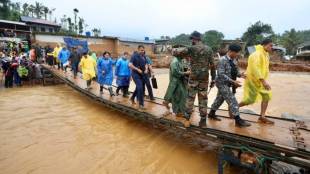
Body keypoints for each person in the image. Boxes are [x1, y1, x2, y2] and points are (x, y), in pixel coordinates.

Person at [208, 44, 251, 127]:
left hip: (228, 83)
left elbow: (235, 71)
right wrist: (233, 81)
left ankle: (211, 113)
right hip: (221, 83)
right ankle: (238, 120)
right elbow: (221, 74)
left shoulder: (234, 60)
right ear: (231, 51)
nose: (238, 54)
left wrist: (241, 75)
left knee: (220, 99)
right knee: (232, 100)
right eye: (237, 53)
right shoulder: (222, 60)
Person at [182, 31, 216, 121]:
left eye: (192, 39)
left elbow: (176, 52)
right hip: (204, 79)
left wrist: (172, 49)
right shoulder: (209, 49)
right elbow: (213, 65)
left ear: (195, 39)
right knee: (203, 100)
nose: (191, 41)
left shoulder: (191, 49)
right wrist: (213, 79)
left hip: (193, 78)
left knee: (190, 98)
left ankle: (187, 119)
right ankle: (203, 120)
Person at [239, 39, 274, 124]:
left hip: (261, 80)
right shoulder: (256, 54)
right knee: (250, 100)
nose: (271, 47)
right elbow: (255, 69)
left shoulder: (266, 54)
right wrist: (263, 81)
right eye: (270, 45)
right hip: (253, 80)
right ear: (264, 45)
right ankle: (234, 106)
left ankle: (262, 116)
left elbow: (264, 68)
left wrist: (263, 80)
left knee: (267, 96)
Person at [163, 48, 191, 117]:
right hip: (175, 82)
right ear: (180, 55)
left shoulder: (180, 60)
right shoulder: (174, 62)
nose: (184, 56)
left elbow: (183, 67)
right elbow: (175, 73)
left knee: (182, 95)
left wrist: (187, 70)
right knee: (177, 97)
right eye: (184, 55)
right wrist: (186, 73)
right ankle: (177, 111)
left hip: (180, 81)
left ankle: (179, 110)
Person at [129, 45, 150, 110]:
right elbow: (130, 65)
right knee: (140, 87)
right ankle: (141, 104)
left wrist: (146, 69)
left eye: (143, 50)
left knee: (139, 87)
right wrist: (137, 69)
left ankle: (132, 98)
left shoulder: (144, 56)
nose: (142, 51)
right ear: (138, 50)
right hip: (135, 74)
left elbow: (146, 64)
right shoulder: (134, 56)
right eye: (141, 50)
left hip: (142, 74)